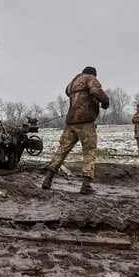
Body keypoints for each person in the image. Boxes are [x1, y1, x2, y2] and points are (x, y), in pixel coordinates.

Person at [41, 66, 109, 194]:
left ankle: (47, 180)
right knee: (89, 152)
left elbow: (67, 91)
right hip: (86, 122)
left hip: (71, 122)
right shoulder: (91, 78)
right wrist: (106, 101)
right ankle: (86, 185)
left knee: (61, 151)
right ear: (93, 74)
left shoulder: (73, 82)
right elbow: (96, 91)